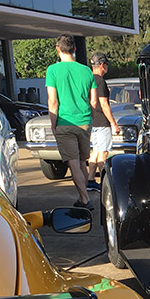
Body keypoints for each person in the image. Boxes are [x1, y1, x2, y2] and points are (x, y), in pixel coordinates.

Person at [46, 33, 97, 208]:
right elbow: (93, 101)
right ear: (74, 49)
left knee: (73, 163)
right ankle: (83, 198)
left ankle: (85, 199)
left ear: (57, 49)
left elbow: (53, 101)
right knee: (82, 162)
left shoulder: (53, 70)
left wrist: (53, 124)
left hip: (65, 122)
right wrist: (89, 118)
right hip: (84, 122)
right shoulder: (87, 70)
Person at [85, 51, 121, 190]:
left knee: (95, 152)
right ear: (101, 65)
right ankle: (105, 183)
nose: (107, 67)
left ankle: (90, 180)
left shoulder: (88, 80)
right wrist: (113, 124)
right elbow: (104, 104)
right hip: (101, 122)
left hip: (92, 121)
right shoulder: (100, 82)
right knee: (103, 153)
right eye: (106, 64)